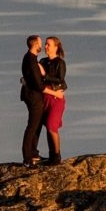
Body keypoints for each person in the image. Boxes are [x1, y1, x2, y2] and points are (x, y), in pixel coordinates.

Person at [18, 34, 48, 164]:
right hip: (33, 96)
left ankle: (33, 153)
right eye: (40, 43)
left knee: (37, 123)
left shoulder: (31, 59)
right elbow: (38, 84)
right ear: (35, 44)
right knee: (32, 125)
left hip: (33, 95)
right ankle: (27, 157)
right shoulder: (31, 60)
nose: (42, 46)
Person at [39, 35, 68, 164]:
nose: (45, 46)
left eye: (48, 44)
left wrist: (44, 75)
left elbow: (60, 79)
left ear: (56, 47)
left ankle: (56, 155)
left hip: (56, 97)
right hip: (45, 97)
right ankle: (52, 155)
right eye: (45, 44)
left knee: (52, 125)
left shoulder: (60, 63)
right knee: (48, 126)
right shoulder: (43, 61)